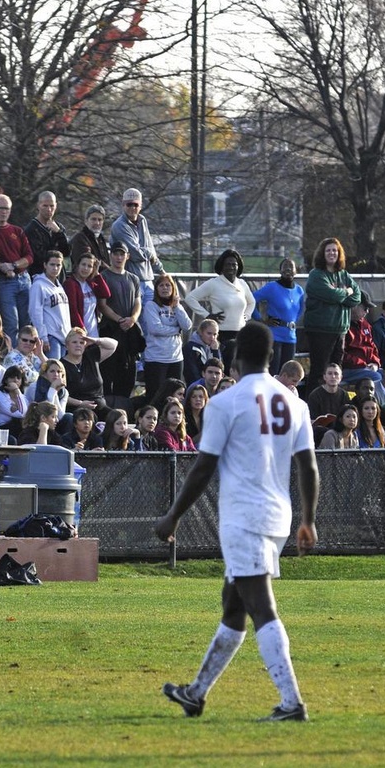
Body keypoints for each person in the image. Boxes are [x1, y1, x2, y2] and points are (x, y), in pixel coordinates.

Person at [156, 320, 319, 722]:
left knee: (261, 605)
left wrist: (173, 516)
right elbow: (308, 466)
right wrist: (309, 519)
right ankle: (195, 693)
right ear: (271, 357)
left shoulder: (225, 403)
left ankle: (291, 703)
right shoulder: (294, 403)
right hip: (279, 516)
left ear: (235, 357)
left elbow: (202, 468)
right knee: (234, 605)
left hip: (244, 516)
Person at [303, 236, 361, 393]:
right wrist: (345, 292)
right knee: (320, 372)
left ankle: (333, 404)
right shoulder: (316, 275)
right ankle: (313, 404)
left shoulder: (344, 275)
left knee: (336, 372)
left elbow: (356, 297)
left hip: (340, 331)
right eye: (328, 250)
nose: (332, 253)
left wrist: (340, 294)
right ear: (322, 253)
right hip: (320, 331)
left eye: (335, 250)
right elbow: (332, 296)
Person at [185, 249, 255, 363]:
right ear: (222, 266)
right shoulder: (213, 283)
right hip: (221, 334)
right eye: (228, 264)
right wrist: (207, 315)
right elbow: (190, 298)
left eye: (234, 264)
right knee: (223, 367)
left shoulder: (242, 284)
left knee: (238, 367)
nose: (231, 267)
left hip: (240, 333)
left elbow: (252, 302)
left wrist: (246, 316)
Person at [98, 241, 144, 400]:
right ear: (110, 256)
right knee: (108, 371)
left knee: (128, 371)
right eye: (116, 254)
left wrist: (132, 319)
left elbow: (138, 302)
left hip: (129, 332)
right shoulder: (104, 277)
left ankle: (124, 404)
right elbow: (102, 305)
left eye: (122, 254)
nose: (119, 257)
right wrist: (120, 320)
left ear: (127, 256)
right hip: (110, 329)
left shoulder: (134, 278)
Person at [109, 187, 169, 305]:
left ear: (140, 206)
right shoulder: (119, 225)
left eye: (135, 205)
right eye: (129, 204)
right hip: (130, 280)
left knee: (151, 314)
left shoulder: (142, 220)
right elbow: (135, 253)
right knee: (135, 314)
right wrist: (149, 253)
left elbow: (150, 248)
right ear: (123, 205)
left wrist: (161, 271)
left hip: (148, 280)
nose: (132, 208)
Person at [0, 193, 34, 341]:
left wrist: (13, 265)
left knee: (27, 323)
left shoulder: (17, 231)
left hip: (24, 279)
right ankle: (12, 354)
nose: (4, 212)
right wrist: (0, 266)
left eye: (7, 209)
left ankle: (26, 353)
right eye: (0, 208)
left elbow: (29, 256)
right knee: (11, 323)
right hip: (4, 282)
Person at [142, 275, 192, 397]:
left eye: (168, 285)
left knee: (175, 395)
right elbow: (155, 329)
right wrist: (176, 329)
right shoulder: (151, 306)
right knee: (156, 395)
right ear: (156, 289)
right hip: (156, 358)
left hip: (176, 358)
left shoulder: (177, 307)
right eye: (161, 285)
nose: (165, 288)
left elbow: (187, 326)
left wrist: (177, 307)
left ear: (173, 288)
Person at [252, 258, 305, 372]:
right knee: (274, 372)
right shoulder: (272, 287)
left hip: (291, 337)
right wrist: (260, 319)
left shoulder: (299, 290)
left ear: (296, 271)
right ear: (280, 270)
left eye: (291, 267)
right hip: (274, 336)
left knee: (287, 373)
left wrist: (292, 322)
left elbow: (301, 309)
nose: (288, 269)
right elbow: (251, 300)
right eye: (285, 266)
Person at [61, 327, 117, 418]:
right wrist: (80, 403)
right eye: (74, 342)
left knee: (118, 417)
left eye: (82, 342)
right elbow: (60, 394)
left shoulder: (91, 356)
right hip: (78, 410)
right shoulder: (61, 366)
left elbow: (113, 345)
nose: (78, 345)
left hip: (100, 407)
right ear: (67, 345)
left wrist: (95, 340)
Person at [29, 250, 72, 359]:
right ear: (45, 265)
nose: (55, 268)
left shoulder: (60, 287)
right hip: (50, 336)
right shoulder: (38, 285)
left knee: (60, 369)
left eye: (58, 265)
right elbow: (35, 312)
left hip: (64, 337)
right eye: (52, 264)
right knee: (51, 368)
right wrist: (43, 336)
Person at [24, 190, 71, 278]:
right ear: (38, 205)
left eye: (52, 206)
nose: (49, 209)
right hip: (40, 277)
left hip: (59, 278)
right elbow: (39, 258)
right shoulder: (31, 229)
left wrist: (59, 233)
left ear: (56, 206)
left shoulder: (59, 227)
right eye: (45, 206)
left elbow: (67, 252)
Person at [64, 253, 110, 338]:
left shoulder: (90, 283)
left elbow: (106, 293)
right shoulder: (70, 284)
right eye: (83, 264)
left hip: (93, 331)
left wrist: (97, 274)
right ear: (77, 265)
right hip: (80, 333)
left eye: (89, 266)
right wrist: (81, 328)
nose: (85, 268)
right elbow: (73, 309)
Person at [342, 291, 382, 383]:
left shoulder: (365, 324)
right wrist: (363, 364)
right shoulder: (342, 325)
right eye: (365, 308)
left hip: (367, 367)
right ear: (354, 306)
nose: (367, 311)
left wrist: (375, 363)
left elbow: (372, 347)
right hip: (349, 369)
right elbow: (341, 354)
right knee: (376, 377)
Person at [25, 358, 70, 429]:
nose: (56, 374)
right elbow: (45, 412)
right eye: (52, 371)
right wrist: (53, 388)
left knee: (69, 417)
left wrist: (55, 392)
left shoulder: (64, 392)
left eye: (59, 372)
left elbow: (60, 416)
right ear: (44, 374)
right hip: (35, 421)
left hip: (53, 422)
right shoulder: (34, 387)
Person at [70, 204, 111, 278]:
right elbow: (90, 261)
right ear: (86, 221)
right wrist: (111, 270)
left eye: (100, 220)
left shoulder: (100, 239)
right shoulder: (80, 238)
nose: (97, 223)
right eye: (93, 219)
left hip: (101, 278)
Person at [0, 365, 27, 437]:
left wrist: (18, 396)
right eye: (12, 377)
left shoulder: (23, 397)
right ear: (6, 380)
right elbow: (22, 414)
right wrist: (16, 390)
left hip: (13, 429)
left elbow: (25, 415)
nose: (15, 380)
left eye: (18, 378)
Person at [184, 318, 223, 385]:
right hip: (197, 386)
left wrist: (215, 351)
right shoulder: (191, 348)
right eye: (209, 333)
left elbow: (218, 368)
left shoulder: (213, 347)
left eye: (215, 334)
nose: (212, 337)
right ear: (201, 332)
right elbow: (192, 373)